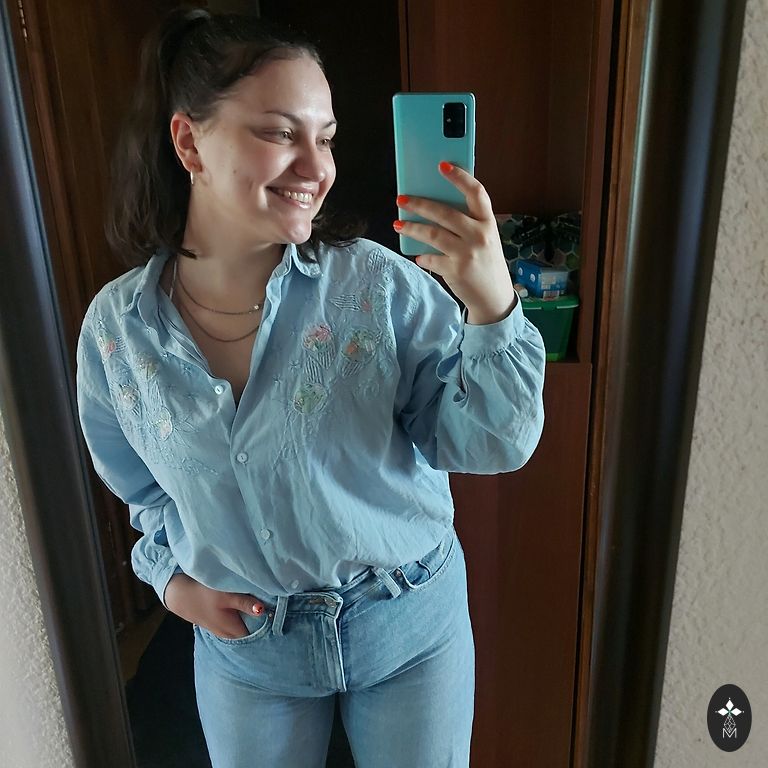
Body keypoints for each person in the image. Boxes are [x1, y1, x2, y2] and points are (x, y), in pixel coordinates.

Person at [75, 8, 546, 768]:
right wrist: (170, 582)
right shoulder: (118, 333)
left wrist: (493, 308)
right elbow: (142, 489)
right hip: (249, 650)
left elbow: (493, 442)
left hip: (407, 620)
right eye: (279, 133)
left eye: (324, 138)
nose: (316, 167)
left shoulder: (377, 286)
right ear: (189, 142)